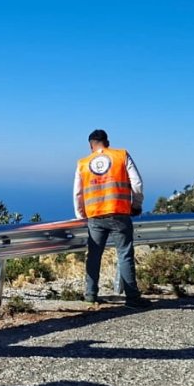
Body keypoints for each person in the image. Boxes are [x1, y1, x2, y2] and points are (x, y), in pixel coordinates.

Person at [72, 129, 150, 308]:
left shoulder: (83, 163)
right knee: (124, 254)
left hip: (95, 215)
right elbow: (137, 183)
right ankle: (132, 298)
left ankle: (91, 296)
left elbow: (78, 193)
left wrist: (81, 215)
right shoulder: (121, 155)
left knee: (94, 256)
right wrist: (136, 205)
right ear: (107, 142)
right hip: (120, 213)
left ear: (91, 145)